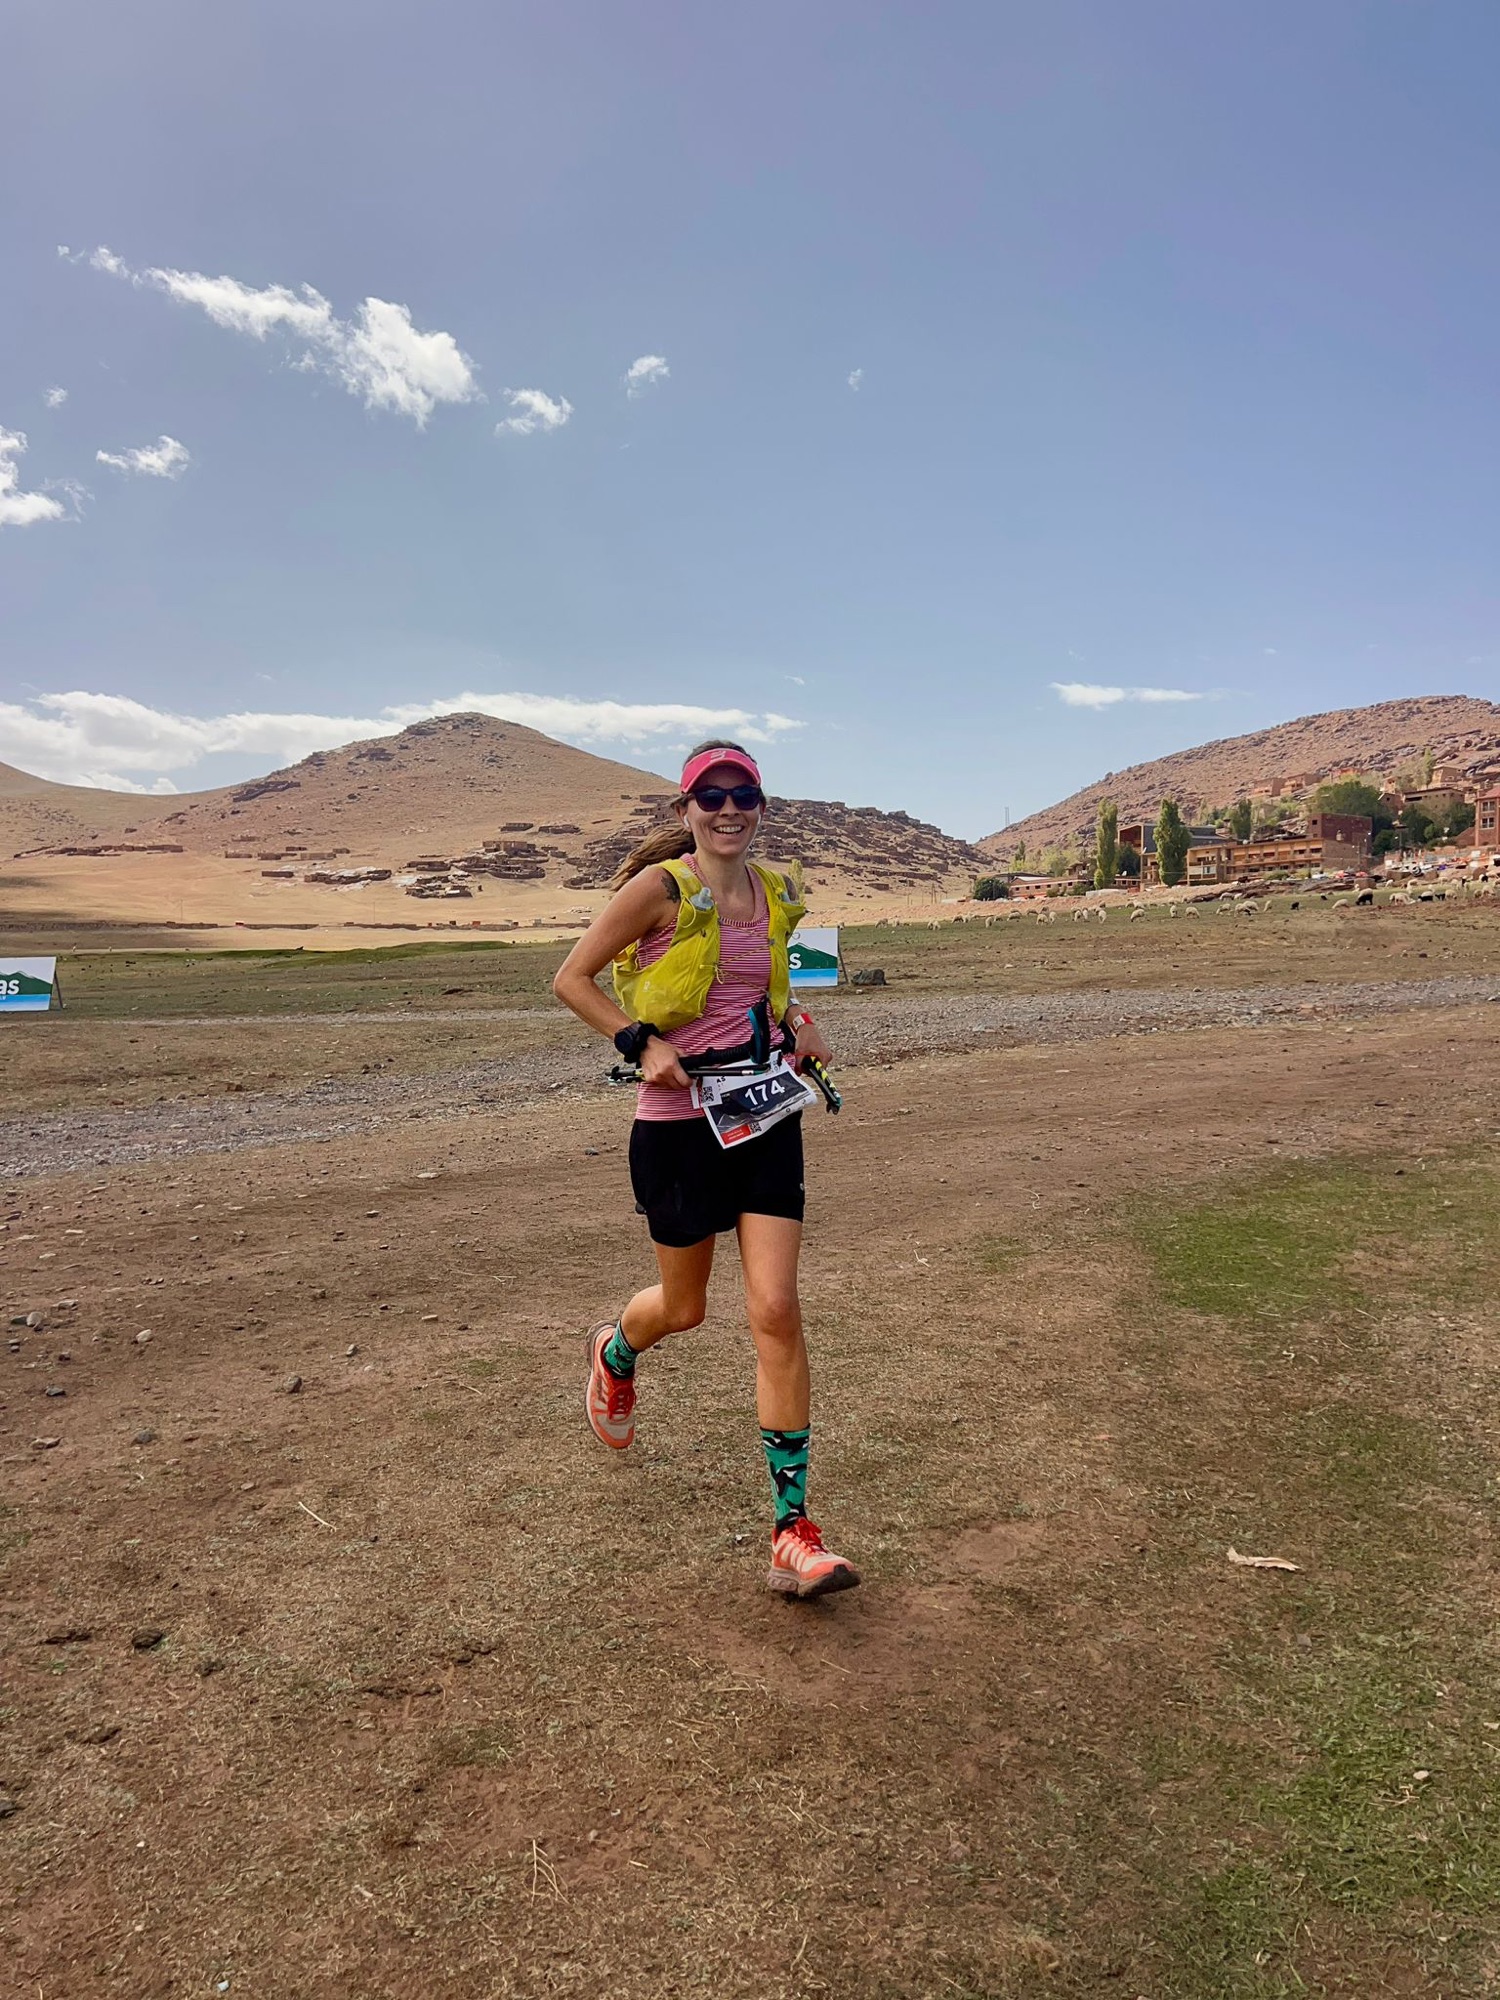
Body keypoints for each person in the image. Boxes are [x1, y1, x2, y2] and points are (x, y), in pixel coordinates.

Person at [552, 740, 859, 1599]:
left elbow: (765, 987)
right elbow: (571, 979)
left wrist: (797, 1025)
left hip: (764, 1114)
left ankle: (793, 1531)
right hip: (678, 1127)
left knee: (777, 1309)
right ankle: (615, 1351)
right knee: (683, 1309)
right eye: (711, 796)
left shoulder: (777, 892)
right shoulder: (659, 889)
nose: (729, 810)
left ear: (761, 805)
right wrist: (638, 1042)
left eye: (743, 795)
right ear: (686, 809)